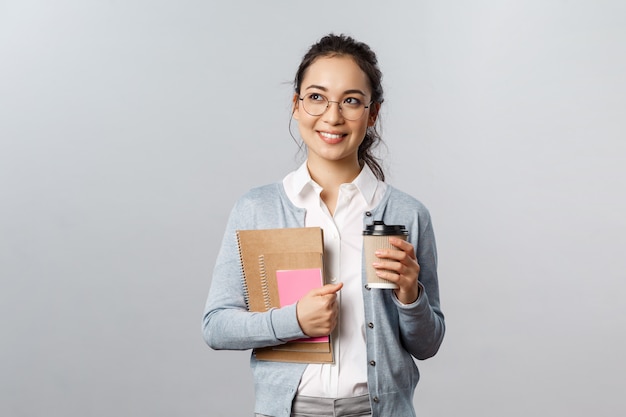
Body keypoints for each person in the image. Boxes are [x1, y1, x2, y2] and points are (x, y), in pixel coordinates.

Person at [202, 33, 445, 417]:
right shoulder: (257, 209)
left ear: (372, 113)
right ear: (296, 105)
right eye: (316, 97)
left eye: (351, 101)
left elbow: (428, 344)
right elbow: (216, 327)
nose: (332, 116)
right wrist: (295, 320)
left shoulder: (406, 214)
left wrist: (410, 295)